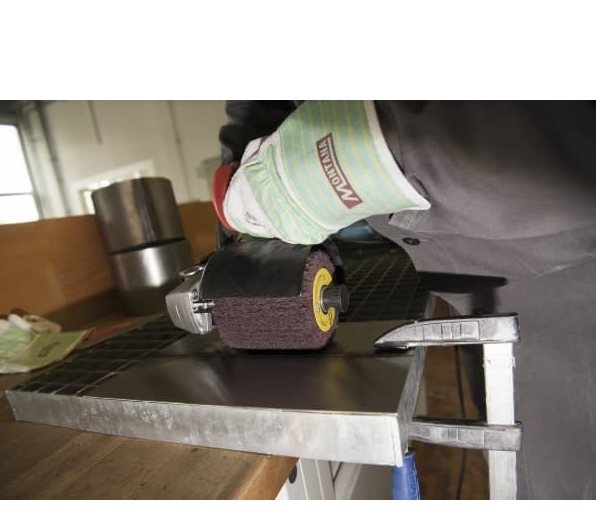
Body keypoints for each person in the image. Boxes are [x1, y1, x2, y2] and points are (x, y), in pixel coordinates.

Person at [217, 100, 596, 500]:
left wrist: (369, 151)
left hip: (563, 270)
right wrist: (247, 205)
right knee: (512, 459)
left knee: (562, 482)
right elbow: (258, 105)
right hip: (470, 278)